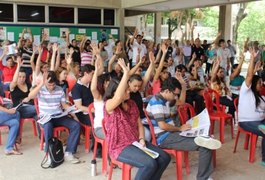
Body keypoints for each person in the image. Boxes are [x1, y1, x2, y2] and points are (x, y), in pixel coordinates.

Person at [104, 58, 170, 180]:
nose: (128, 90)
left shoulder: (132, 104)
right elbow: (118, 97)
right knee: (149, 164)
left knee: (165, 158)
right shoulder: (109, 105)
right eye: (126, 90)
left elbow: (139, 124)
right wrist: (125, 72)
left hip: (135, 141)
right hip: (119, 146)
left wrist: (141, 139)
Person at [146, 75, 221, 180]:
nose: (176, 97)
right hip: (164, 138)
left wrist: (183, 86)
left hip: (173, 134)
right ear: (167, 91)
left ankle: (205, 175)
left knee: (207, 138)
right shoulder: (156, 102)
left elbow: (181, 102)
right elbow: (162, 126)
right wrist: (180, 128)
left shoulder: (165, 99)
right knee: (205, 145)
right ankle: (203, 178)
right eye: (175, 94)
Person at [28, 71, 80, 164]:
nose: (51, 87)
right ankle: (49, 154)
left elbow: (64, 105)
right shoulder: (41, 89)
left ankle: (69, 152)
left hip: (59, 116)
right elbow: (30, 96)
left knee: (76, 125)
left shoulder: (59, 89)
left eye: (53, 84)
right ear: (45, 82)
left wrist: (73, 110)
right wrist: (41, 85)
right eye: (49, 85)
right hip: (46, 117)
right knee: (48, 127)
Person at [238, 48, 265, 166]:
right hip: (247, 122)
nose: (262, 84)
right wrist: (252, 59)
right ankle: (264, 159)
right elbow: (249, 76)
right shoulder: (246, 91)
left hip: (259, 120)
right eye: (259, 83)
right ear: (253, 84)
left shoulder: (260, 96)